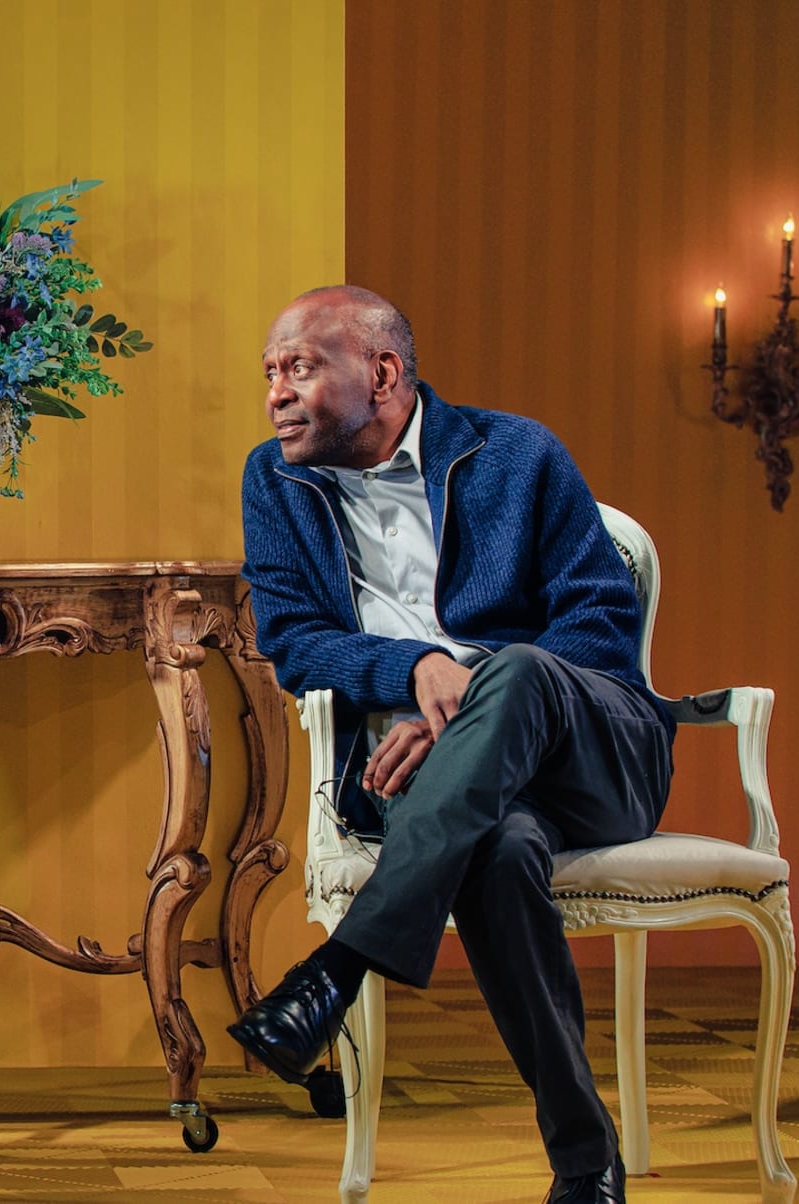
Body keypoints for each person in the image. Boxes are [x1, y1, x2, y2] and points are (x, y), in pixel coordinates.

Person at [229, 286, 672, 1203]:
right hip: (439, 779)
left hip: (595, 754)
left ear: (383, 373)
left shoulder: (516, 453)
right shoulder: (273, 480)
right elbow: (292, 640)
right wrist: (413, 670)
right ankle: (587, 1165)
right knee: (500, 853)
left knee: (516, 669)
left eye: (301, 368)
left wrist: (468, 697)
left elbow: (598, 622)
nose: (276, 392)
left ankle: (335, 971)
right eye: (271, 373)